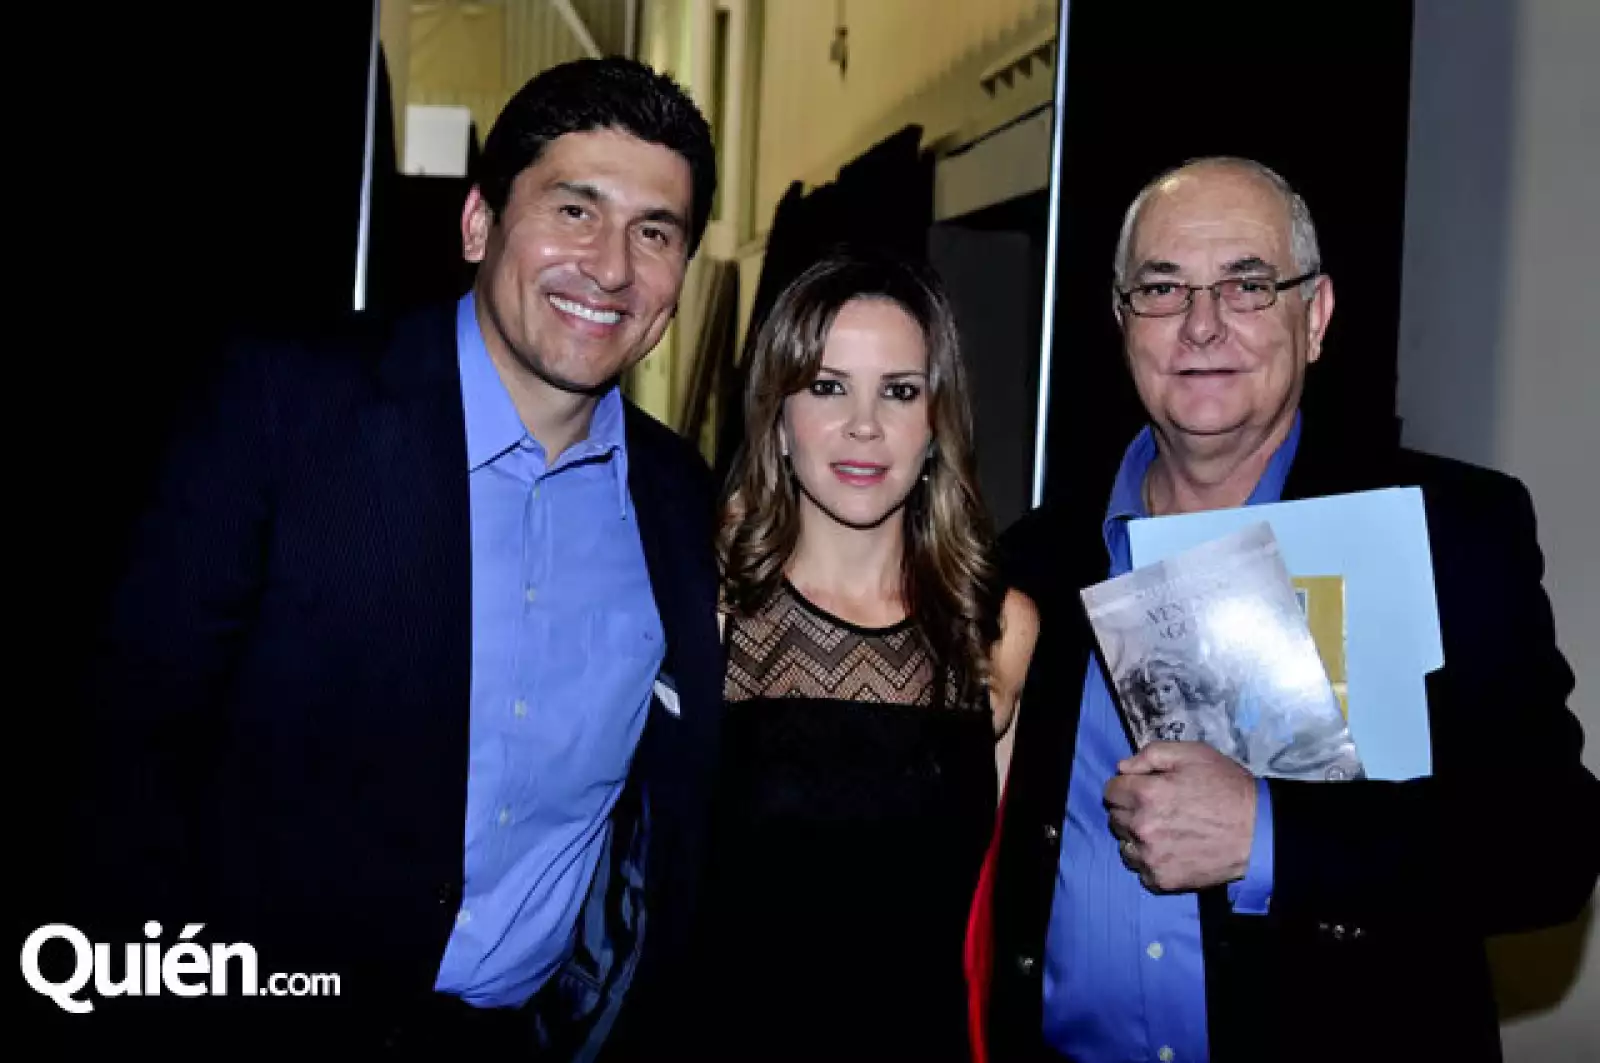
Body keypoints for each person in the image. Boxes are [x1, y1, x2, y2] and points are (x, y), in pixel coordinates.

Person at [79, 57, 722, 1056]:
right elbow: (127, 744)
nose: (609, 268)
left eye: (655, 232)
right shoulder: (285, 408)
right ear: (478, 223)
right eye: (574, 209)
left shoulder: (682, 502)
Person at [977, 157, 1599, 1062]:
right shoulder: (1030, 561)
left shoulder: (1442, 533)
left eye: (1247, 284)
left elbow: (1548, 847)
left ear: (1315, 317)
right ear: (1121, 322)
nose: (1201, 324)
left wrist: (1269, 834)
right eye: (1163, 287)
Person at [694, 252, 1038, 1062]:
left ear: (936, 425)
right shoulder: (707, 614)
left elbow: (999, 923)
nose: (863, 425)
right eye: (825, 386)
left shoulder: (998, 630)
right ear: (777, 419)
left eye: (899, 390)